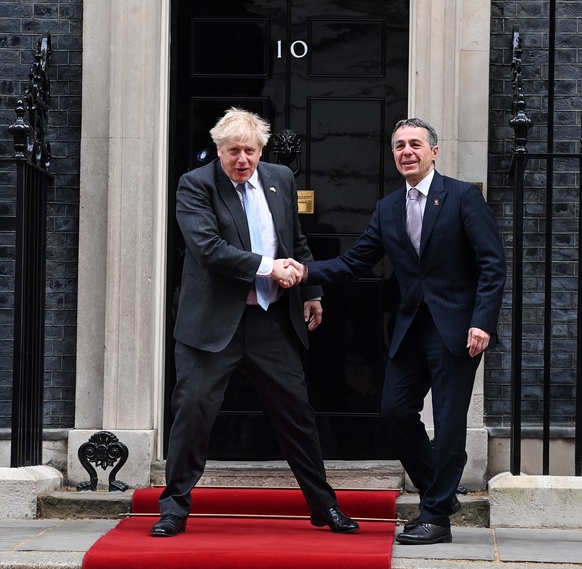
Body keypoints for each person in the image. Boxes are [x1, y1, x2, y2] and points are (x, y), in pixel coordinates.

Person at [285, 118, 506, 544]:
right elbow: (356, 262)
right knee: (394, 412)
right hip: (409, 330)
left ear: (433, 152)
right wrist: (305, 270)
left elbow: (491, 265)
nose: (407, 152)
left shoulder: (462, 197)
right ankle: (438, 493)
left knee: (448, 423)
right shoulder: (388, 208)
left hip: (457, 330)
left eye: (415, 145)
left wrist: (482, 321)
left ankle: (436, 517)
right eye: (400, 146)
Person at [151, 108, 359, 537]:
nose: (242, 160)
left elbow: (296, 242)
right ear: (218, 150)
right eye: (232, 152)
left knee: (297, 414)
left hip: (270, 320)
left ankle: (323, 506)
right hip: (211, 324)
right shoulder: (196, 185)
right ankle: (174, 509)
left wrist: (312, 291)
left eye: (249, 151)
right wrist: (270, 268)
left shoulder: (280, 179)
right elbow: (208, 248)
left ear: (261, 150)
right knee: (192, 414)